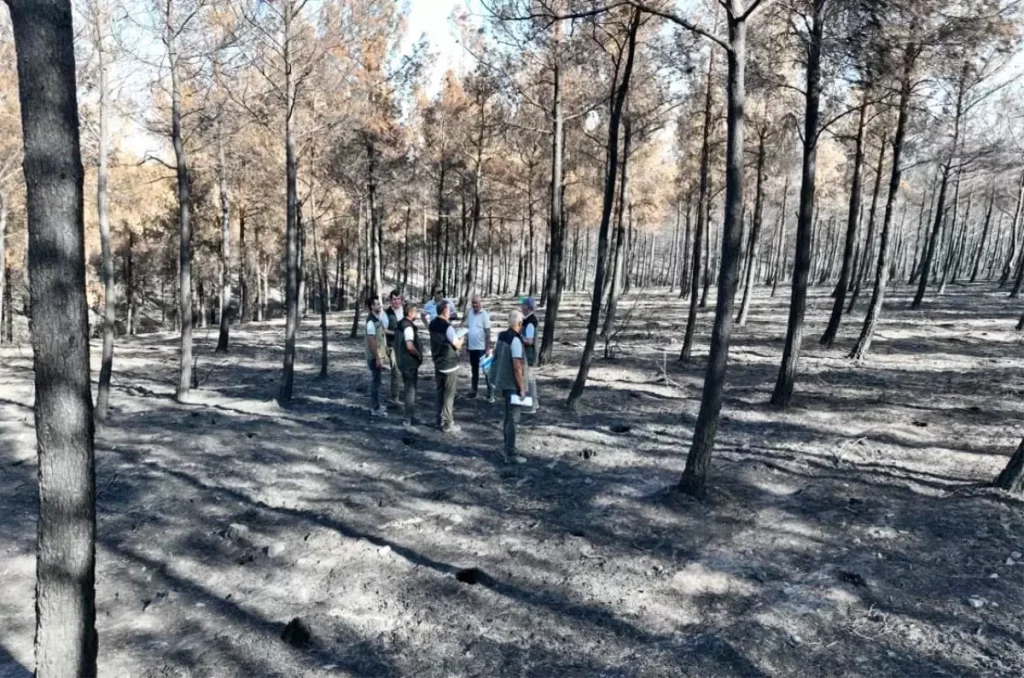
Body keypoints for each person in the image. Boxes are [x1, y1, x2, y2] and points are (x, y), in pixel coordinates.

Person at [489, 310, 529, 461]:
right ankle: (510, 453)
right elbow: (517, 366)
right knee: (513, 419)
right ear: (519, 323)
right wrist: (522, 387)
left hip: (502, 381)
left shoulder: (501, 336)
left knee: (507, 417)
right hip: (512, 385)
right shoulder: (516, 340)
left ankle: (507, 447)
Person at [428, 299, 464, 433]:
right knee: (449, 395)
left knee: (439, 392)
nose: (450, 312)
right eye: (449, 310)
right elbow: (457, 344)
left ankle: (438, 419)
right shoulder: (447, 327)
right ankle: (448, 422)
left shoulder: (432, 324)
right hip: (449, 364)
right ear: (445, 311)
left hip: (438, 362)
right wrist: (462, 339)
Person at [394, 301, 423, 427]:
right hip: (409, 363)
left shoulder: (400, 323)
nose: (416, 314)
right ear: (411, 313)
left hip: (401, 360)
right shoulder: (408, 327)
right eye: (415, 311)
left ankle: (409, 415)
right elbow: (410, 346)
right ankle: (408, 418)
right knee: (410, 390)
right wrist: (418, 355)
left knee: (408, 389)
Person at [364, 295, 388, 418]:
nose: (380, 305)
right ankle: (375, 408)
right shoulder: (370, 322)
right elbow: (371, 341)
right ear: (372, 307)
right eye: (377, 304)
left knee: (377, 382)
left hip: (378, 356)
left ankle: (377, 405)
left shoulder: (376, 319)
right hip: (374, 357)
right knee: (375, 382)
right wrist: (377, 357)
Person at [466, 293, 493, 401]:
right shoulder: (470, 313)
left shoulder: (484, 314)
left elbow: (488, 332)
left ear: (480, 303)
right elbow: (469, 328)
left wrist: (488, 348)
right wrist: (467, 344)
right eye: (473, 303)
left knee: (486, 370)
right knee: (474, 370)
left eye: (476, 303)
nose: (475, 305)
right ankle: (474, 390)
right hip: (472, 347)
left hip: (482, 347)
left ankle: (490, 393)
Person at [384, 288, 404, 405]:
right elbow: (383, 329)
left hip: (406, 345)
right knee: (395, 371)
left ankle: (409, 394)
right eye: (394, 299)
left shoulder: (405, 311)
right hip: (393, 346)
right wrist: (395, 333)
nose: (396, 301)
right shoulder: (387, 314)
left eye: (398, 299)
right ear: (391, 300)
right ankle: (395, 397)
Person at [520, 296, 540, 411]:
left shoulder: (530, 322)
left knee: (529, 379)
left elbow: (530, 341)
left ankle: (531, 405)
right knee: (530, 379)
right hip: (528, 354)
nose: (521, 307)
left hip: (529, 355)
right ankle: (534, 403)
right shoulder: (527, 319)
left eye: (523, 305)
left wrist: (519, 337)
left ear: (528, 307)